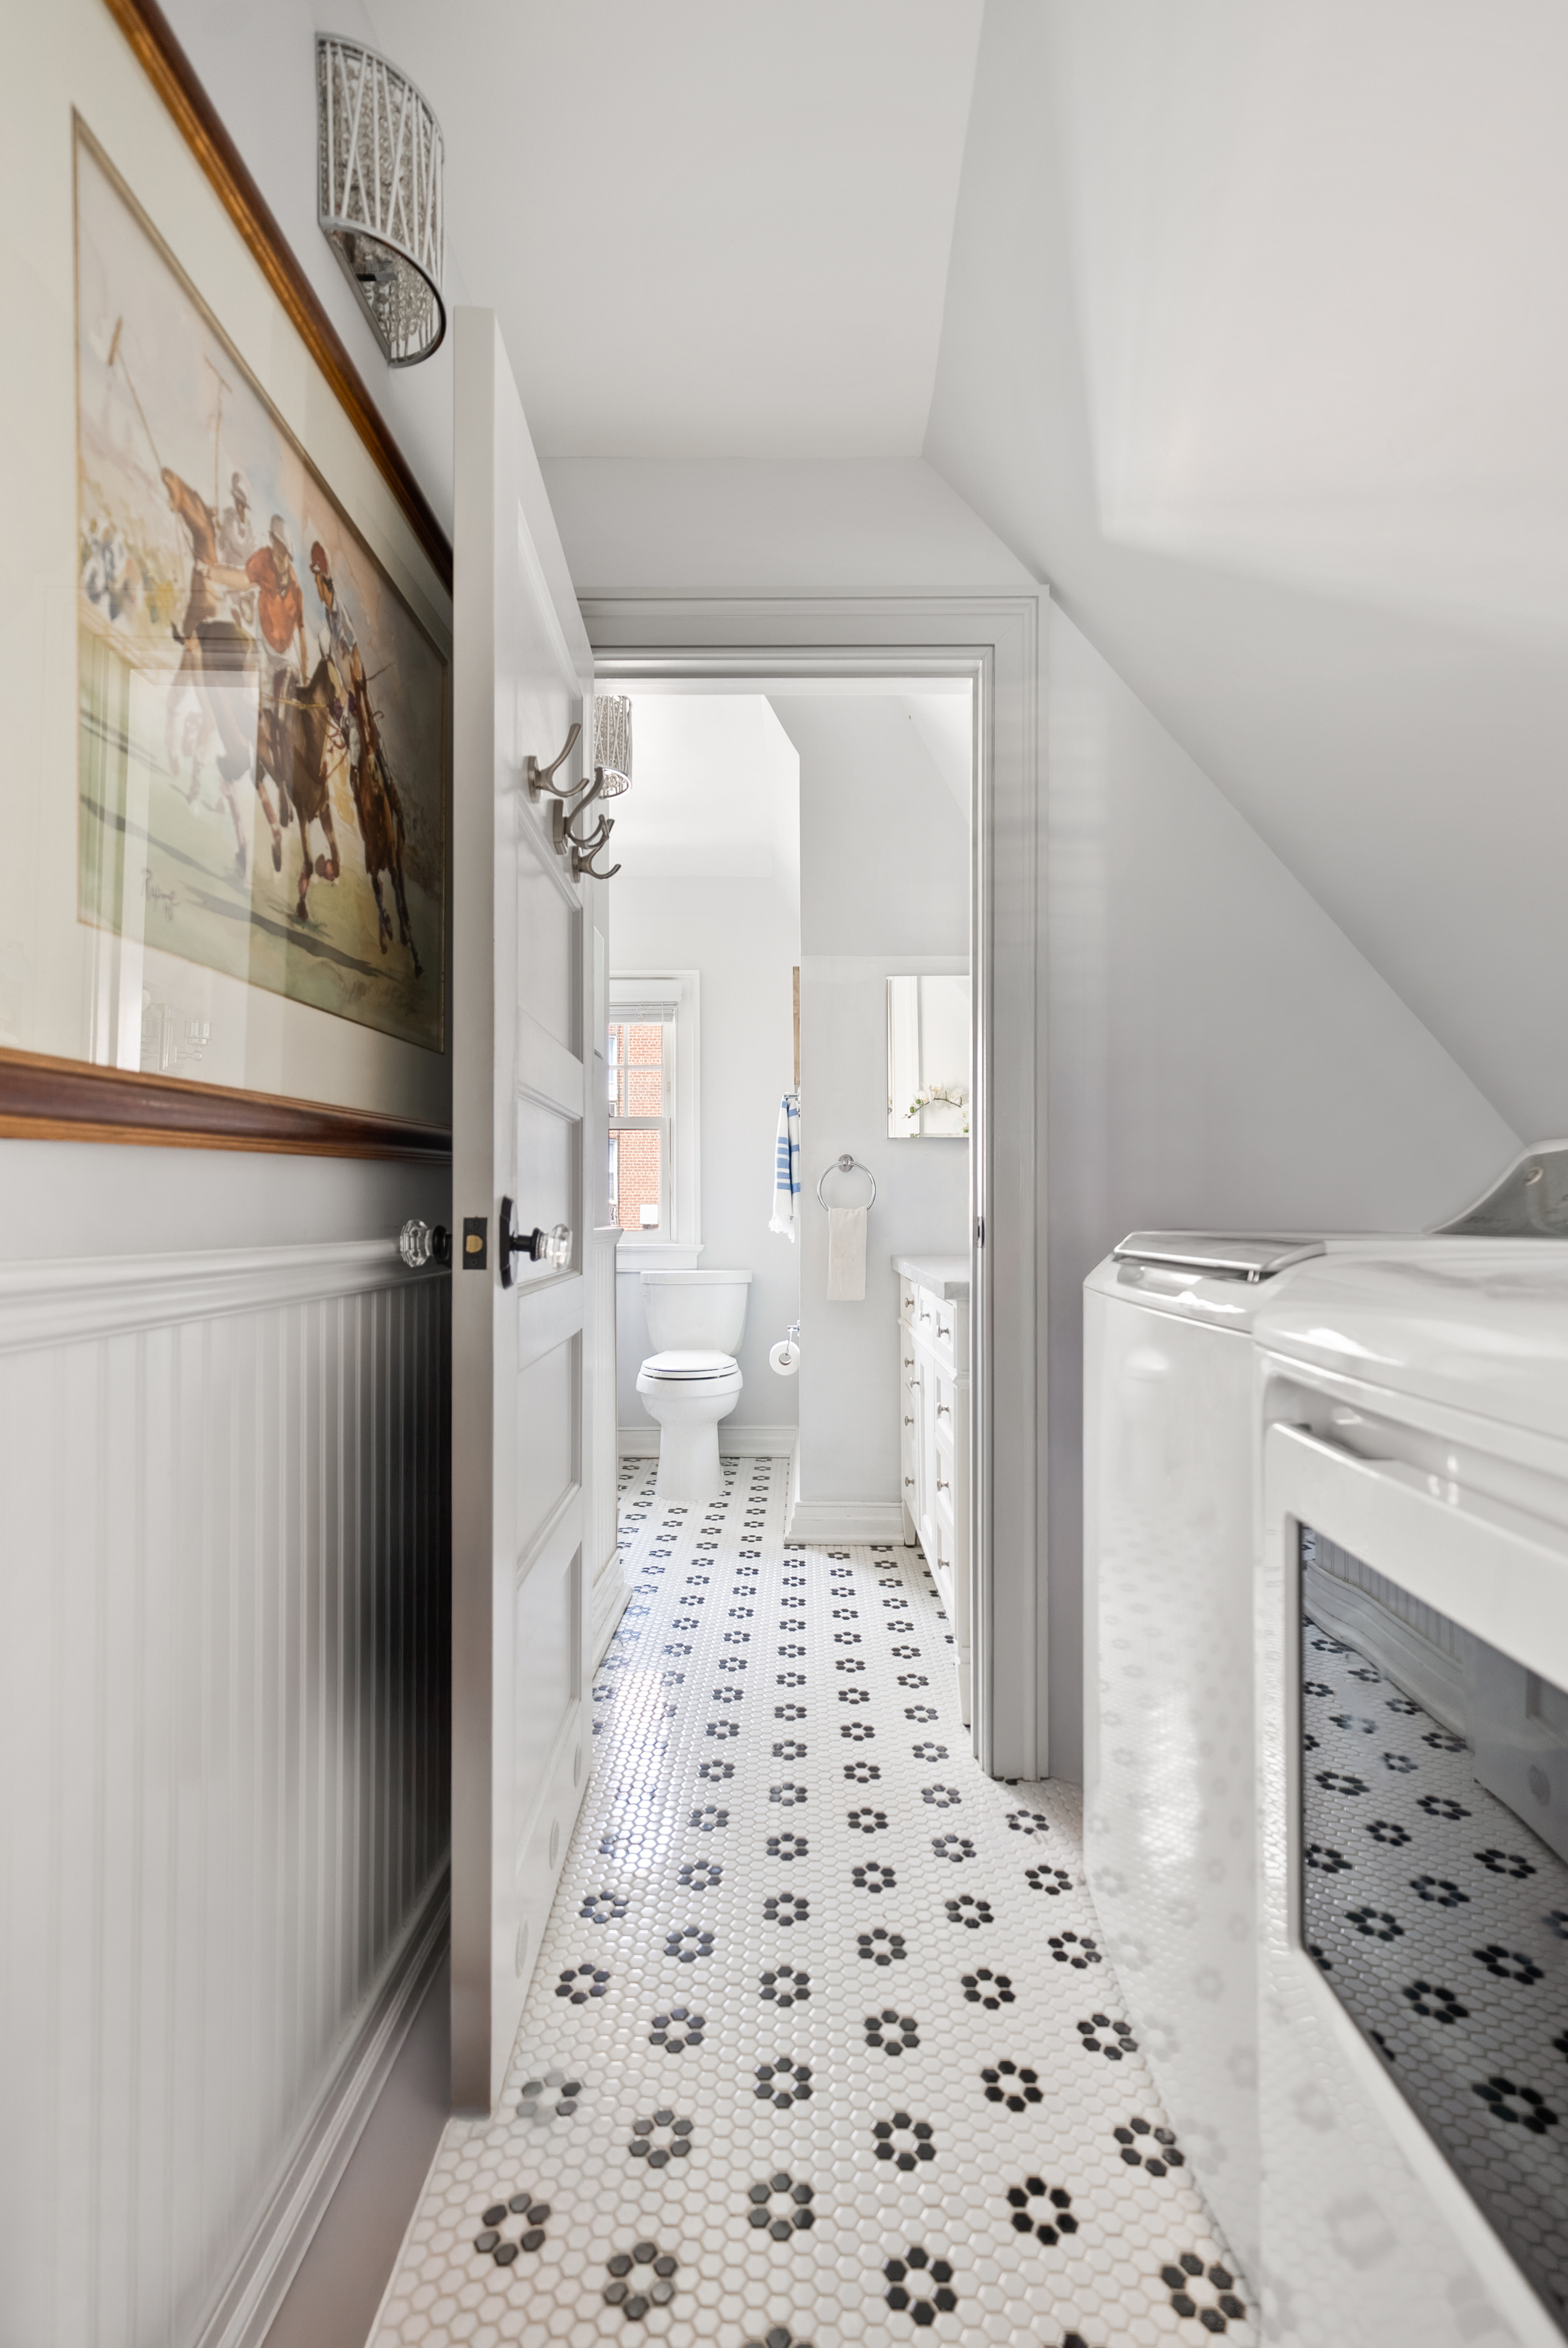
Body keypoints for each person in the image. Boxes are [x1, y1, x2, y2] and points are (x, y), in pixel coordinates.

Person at [245, 515, 308, 714]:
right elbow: (242, 580)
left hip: (285, 656)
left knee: (288, 698)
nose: (282, 560)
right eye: (278, 550)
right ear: (272, 543)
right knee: (260, 695)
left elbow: (302, 635)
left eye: (285, 555)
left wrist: (305, 677)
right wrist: (212, 572)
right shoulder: (263, 560)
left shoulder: (296, 589)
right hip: (263, 645)